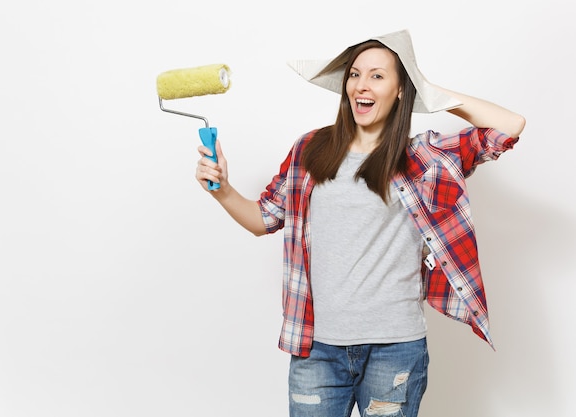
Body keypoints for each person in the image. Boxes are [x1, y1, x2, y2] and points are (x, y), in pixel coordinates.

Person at [194, 29, 525, 417]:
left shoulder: (422, 156)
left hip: (396, 349)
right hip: (317, 348)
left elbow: (509, 126)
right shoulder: (310, 149)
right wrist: (222, 189)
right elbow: (262, 219)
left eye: (377, 75)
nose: (361, 85)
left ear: (402, 89)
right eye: (354, 74)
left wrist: (429, 88)